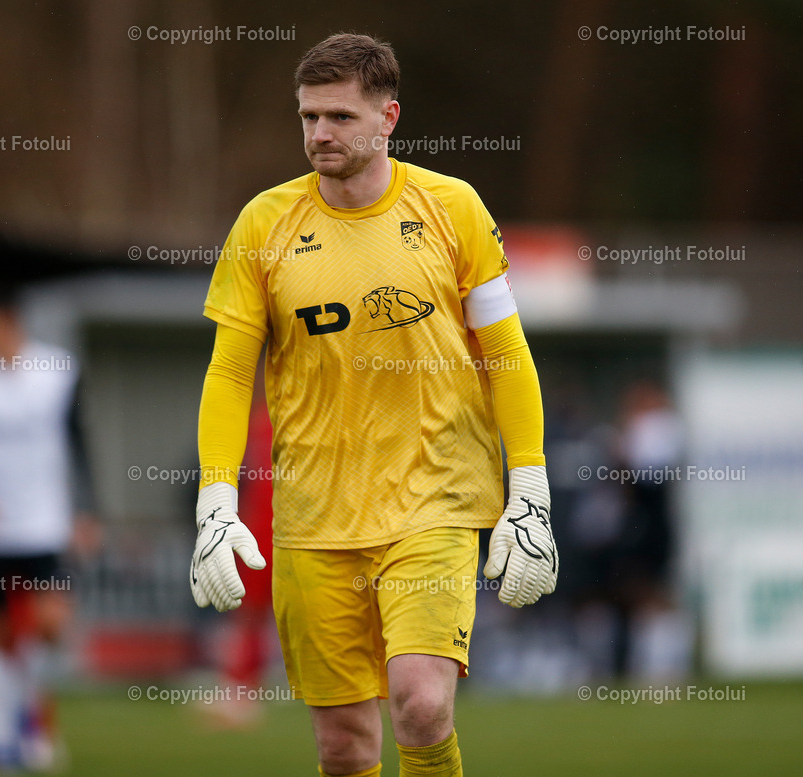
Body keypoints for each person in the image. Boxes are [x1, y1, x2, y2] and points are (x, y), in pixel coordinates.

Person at [189, 33, 556, 777]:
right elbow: (230, 373)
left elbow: (507, 354)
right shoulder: (263, 224)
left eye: (340, 117)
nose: (319, 133)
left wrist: (531, 486)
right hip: (314, 518)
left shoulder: (453, 208)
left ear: (389, 117)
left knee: (420, 704)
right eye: (308, 116)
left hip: (436, 499)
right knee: (344, 746)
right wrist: (216, 499)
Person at [0, 292, 96, 769]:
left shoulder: (56, 370)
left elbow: (79, 440)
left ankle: (29, 719)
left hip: (44, 522)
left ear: (6, 321)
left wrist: (87, 509)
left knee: (50, 623)